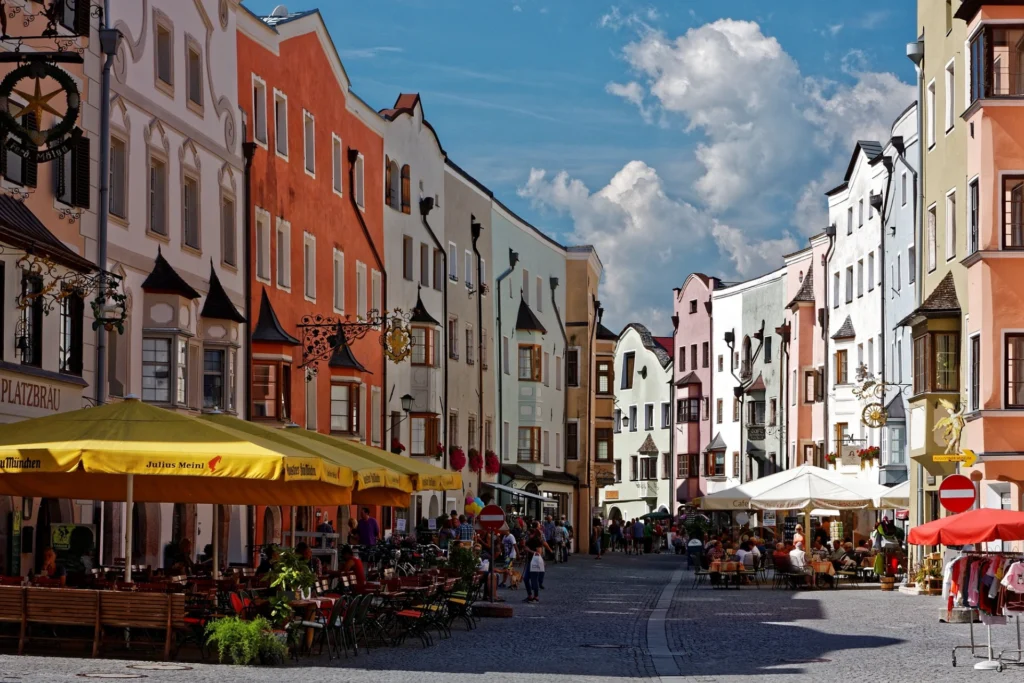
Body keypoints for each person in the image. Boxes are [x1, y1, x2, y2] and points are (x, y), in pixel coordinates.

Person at [523, 525, 550, 603]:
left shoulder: (537, 541)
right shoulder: (529, 541)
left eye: (529, 534)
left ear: (533, 534)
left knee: (534, 580)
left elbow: (539, 553)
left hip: (535, 561)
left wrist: (529, 550)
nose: (527, 536)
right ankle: (529, 595)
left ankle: (536, 596)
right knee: (525, 578)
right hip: (529, 561)